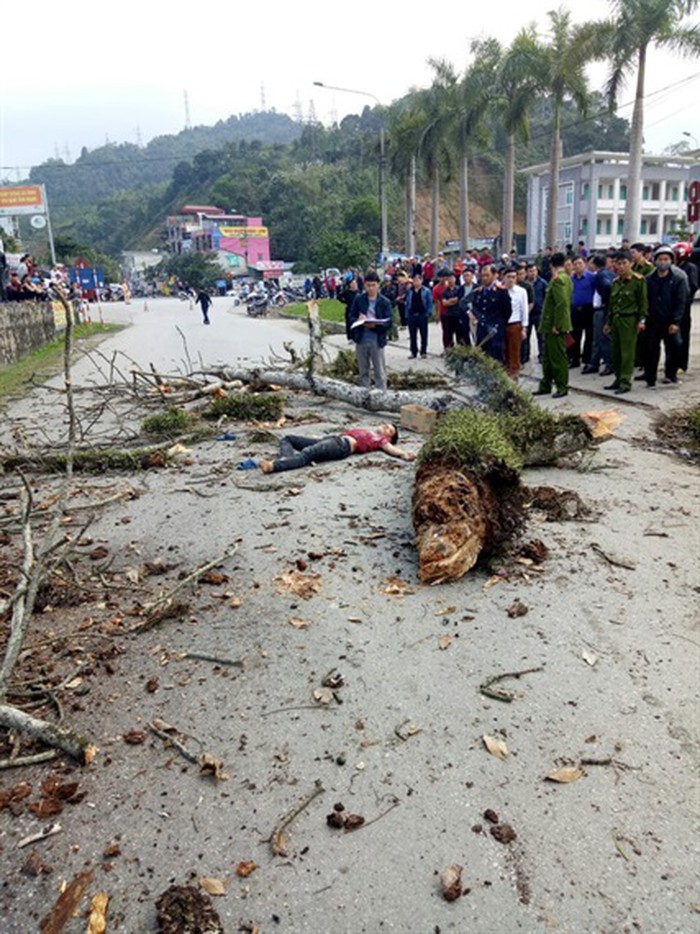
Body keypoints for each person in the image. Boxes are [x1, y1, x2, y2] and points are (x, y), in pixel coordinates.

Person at [260, 423, 415, 473]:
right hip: (332, 440)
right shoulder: (369, 431)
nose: (386, 428)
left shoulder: (381, 441)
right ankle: (285, 459)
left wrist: (403, 454)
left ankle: (275, 466)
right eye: (386, 425)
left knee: (308, 454)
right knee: (289, 439)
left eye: (390, 430)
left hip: (342, 446)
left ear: (389, 438)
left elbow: (391, 449)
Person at [643, 245, 689, 387]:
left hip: (670, 321)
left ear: (671, 261)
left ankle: (671, 374)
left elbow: (681, 302)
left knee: (675, 346)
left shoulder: (678, 278)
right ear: (655, 261)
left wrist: (675, 321)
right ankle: (650, 378)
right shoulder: (649, 279)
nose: (663, 262)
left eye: (666, 259)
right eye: (660, 259)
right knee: (651, 349)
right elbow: (644, 300)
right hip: (653, 321)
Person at [603, 249, 648, 394]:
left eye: (624, 263)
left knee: (627, 353)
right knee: (616, 352)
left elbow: (643, 303)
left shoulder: (638, 281)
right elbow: (612, 304)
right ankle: (618, 378)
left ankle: (625, 381)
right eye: (618, 264)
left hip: (630, 320)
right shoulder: (615, 282)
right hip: (616, 319)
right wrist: (608, 322)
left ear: (631, 263)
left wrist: (642, 320)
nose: (621, 266)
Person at [534, 251, 573, 398]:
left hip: (556, 326)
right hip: (552, 325)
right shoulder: (566, 278)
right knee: (548, 357)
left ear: (551, 265)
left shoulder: (558, 279)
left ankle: (562, 386)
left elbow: (561, 303)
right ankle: (545, 385)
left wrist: (557, 324)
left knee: (558, 358)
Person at [348, 270, 392, 390]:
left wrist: (376, 325)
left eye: (373, 285)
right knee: (363, 371)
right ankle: (364, 395)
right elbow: (350, 316)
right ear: (364, 285)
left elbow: (389, 322)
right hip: (361, 338)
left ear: (378, 285)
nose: (371, 288)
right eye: (368, 285)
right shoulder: (359, 299)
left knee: (379, 371)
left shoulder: (384, 302)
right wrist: (358, 319)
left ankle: (381, 395)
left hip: (377, 339)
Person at [471, 265, 512, 364]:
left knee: (496, 356)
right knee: (482, 356)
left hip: (495, 329)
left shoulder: (501, 292)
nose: (484, 278)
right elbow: (475, 308)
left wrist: (499, 324)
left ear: (494, 276)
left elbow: (507, 311)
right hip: (482, 329)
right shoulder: (478, 292)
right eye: (482, 276)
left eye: (487, 275)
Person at [672, 241, 699, 372]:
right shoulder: (674, 267)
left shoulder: (690, 268)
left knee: (683, 337)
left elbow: (693, 286)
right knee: (672, 338)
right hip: (672, 306)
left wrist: (683, 297)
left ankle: (682, 364)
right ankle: (672, 363)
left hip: (684, 307)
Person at [586, 254, 614, 375]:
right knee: (599, 338)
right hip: (603, 309)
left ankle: (608, 364)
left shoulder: (600, 275)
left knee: (602, 338)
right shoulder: (609, 273)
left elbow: (607, 288)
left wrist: (605, 300)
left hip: (602, 309)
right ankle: (594, 362)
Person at [569, 256, 596, 368]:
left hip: (588, 309)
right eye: (575, 264)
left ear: (584, 264)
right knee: (575, 335)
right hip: (575, 309)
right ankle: (575, 359)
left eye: (579, 263)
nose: (577, 266)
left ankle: (587, 359)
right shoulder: (571, 279)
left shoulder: (591, 277)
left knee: (589, 335)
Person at [503, 268, 529, 379]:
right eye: (508, 277)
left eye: (513, 277)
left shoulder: (521, 291)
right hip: (502, 325)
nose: (511, 280)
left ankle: (514, 374)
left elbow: (524, 309)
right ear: (504, 278)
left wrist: (524, 327)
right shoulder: (500, 290)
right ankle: (505, 373)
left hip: (515, 324)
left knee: (515, 351)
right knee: (503, 351)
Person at [405, 272, 433, 358]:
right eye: (414, 280)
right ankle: (413, 352)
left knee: (423, 334)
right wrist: (407, 315)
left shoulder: (426, 291)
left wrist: (428, 313)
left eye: (418, 280)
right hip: (412, 315)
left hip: (422, 315)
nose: (416, 282)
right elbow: (407, 303)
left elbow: (429, 303)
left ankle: (423, 351)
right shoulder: (410, 291)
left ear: (421, 280)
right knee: (412, 335)